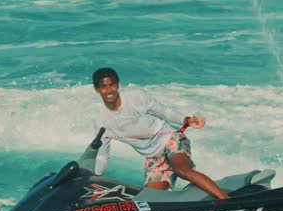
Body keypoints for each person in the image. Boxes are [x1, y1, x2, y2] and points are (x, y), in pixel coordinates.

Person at [91, 67, 229, 199]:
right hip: (154, 157)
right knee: (150, 199)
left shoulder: (136, 97)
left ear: (117, 85)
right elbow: (102, 157)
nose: (109, 90)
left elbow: (165, 112)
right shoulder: (102, 121)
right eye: (103, 87)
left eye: (112, 85)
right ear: (97, 89)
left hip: (170, 139)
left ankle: (226, 200)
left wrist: (186, 120)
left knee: (181, 170)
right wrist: (91, 176)